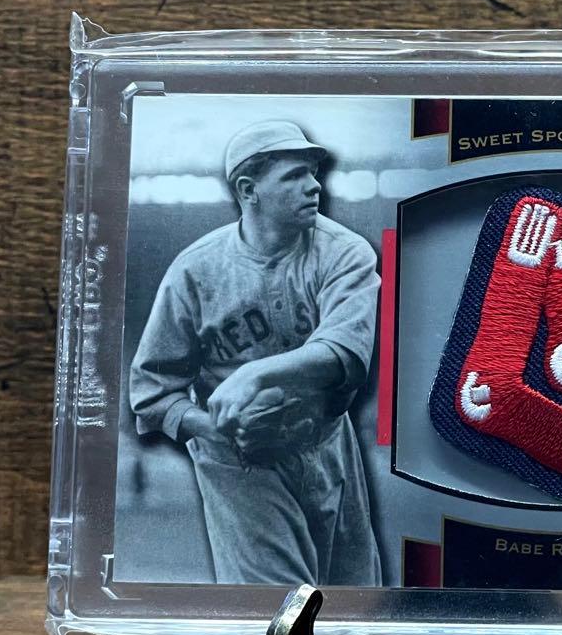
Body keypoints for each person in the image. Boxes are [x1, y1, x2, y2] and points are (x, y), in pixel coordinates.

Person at [129, 120, 382, 586]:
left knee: (353, 598)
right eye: (294, 176)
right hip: (239, 459)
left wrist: (254, 375)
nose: (314, 186)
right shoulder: (195, 272)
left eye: (312, 173)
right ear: (249, 190)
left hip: (327, 443)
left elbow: (344, 350)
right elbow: (151, 392)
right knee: (278, 600)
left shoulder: (345, 253)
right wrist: (217, 428)